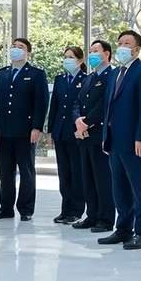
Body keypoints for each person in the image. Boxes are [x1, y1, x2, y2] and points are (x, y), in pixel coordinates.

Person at [99, 30, 141, 250]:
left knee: (139, 188)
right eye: (120, 42)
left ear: (137, 49)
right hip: (114, 140)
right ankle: (123, 229)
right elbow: (108, 107)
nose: (122, 46)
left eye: (127, 43)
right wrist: (105, 137)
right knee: (119, 188)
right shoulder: (115, 73)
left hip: (134, 141)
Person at [0, 38, 49, 222]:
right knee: (5, 172)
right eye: (14, 46)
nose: (16, 49)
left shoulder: (36, 74)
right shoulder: (2, 73)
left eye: (20, 47)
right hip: (4, 130)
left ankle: (26, 208)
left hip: (25, 131)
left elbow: (41, 103)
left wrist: (37, 127)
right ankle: (6, 208)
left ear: (28, 52)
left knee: (26, 171)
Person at [71, 40, 115, 233]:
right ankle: (92, 215)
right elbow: (77, 102)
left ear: (107, 54)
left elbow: (105, 104)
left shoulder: (111, 76)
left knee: (102, 178)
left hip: (99, 134)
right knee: (87, 178)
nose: (92, 55)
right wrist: (77, 120)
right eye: (90, 51)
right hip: (84, 135)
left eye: (96, 51)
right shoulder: (89, 77)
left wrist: (87, 122)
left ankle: (105, 219)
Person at [48, 46, 87, 224]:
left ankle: (76, 210)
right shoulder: (60, 79)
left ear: (80, 60)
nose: (67, 60)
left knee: (76, 172)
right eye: (65, 57)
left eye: (71, 57)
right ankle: (65, 209)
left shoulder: (85, 79)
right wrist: (51, 130)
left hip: (76, 132)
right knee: (63, 173)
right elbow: (54, 106)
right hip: (60, 131)